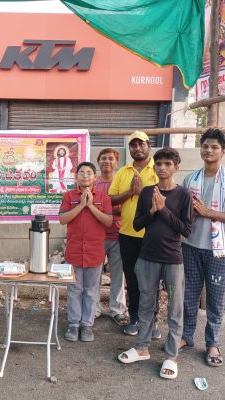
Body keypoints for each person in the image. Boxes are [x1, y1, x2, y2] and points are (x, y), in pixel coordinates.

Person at [118, 148, 193, 380]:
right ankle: (142, 347)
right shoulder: (148, 192)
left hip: (172, 260)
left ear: (176, 167)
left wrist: (164, 210)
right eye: (159, 163)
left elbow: (186, 230)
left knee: (174, 307)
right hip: (148, 257)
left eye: (167, 163)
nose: (162, 167)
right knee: (145, 304)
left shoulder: (183, 195)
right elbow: (138, 224)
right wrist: (152, 210)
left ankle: (171, 356)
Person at [180, 128, 225, 367]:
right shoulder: (191, 179)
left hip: (218, 250)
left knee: (216, 298)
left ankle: (212, 343)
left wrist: (208, 212)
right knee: (189, 295)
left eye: (214, 147)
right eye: (206, 146)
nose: (209, 150)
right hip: (190, 245)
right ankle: (186, 336)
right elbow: (183, 212)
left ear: (223, 151)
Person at [109, 131, 160, 337]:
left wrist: (142, 193)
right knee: (132, 279)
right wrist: (130, 192)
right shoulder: (123, 172)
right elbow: (111, 200)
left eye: (141, 144)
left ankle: (152, 322)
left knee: (152, 281)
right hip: (127, 234)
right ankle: (135, 319)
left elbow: (164, 198)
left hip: (152, 235)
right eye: (133, 145)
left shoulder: (157, 169)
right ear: (129, 149)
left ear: (148, 146)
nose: (137, 148)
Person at [60, 162, 112, 342]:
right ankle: (74, 325)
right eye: (81, 173)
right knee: (74, 289)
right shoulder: (69, 196)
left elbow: (108, 221)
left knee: (91, 291)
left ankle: (87, 325)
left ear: (95, 177)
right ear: (76, 177)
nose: (85, 176)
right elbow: (63, 219)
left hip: (94, 252)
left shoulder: (104, 198)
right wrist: (81, 205)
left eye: (89, 173)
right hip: (74, 252)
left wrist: (91, 205)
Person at [94, 148, 128, 325]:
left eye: (110, 159)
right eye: (103, 158)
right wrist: (111, 210)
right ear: (98, 162)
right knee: (94, 275)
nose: (107, 161)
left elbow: (126, 208)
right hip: (97, 236)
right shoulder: (93, 183)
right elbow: (91, 208)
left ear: (116, 163)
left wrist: (105, 210)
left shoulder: (122, 183)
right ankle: (94, 308)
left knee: (118, 275)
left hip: (118, 234)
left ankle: (117, 309)